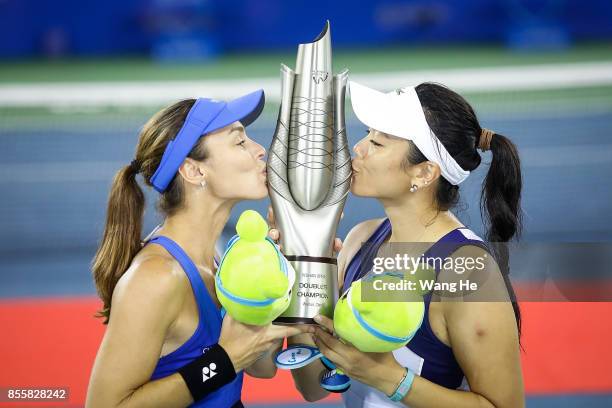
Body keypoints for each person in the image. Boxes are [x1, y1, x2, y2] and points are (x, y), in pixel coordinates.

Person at [271, 81, 525, 407]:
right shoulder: (360, 240)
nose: (358, 148)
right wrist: (302, 253)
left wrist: (387, 377)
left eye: (377, 142)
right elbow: (313, 387)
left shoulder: (468, 273)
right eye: (367, 134)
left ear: (424, 172)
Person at [86, 90, 311, 408]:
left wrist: (290, 260)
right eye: (240, 141)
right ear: (194, 171)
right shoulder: (156, 277)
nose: (260, 150)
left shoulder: (220, 260)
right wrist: (224, 361)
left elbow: (264, 366)